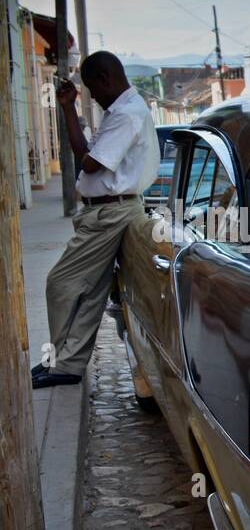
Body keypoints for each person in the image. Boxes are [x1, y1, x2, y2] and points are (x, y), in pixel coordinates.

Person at [31, 51, 159, 389]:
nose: (94, 96)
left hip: (111, 212)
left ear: (105, 80)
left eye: (91, 89)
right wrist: (68, 107)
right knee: (89, 293)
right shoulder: (119, 112)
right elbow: (83, 152)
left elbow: (89, 163)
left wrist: (85, 147)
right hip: (104, 211)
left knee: (60, 283)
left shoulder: (127, 114)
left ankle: (61, 363)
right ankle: (64, 364)